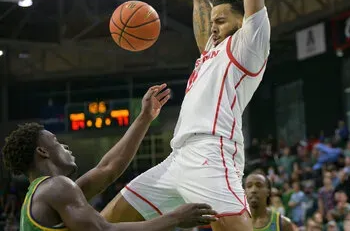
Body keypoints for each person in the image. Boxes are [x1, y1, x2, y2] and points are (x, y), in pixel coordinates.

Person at [101, 0, 271, 231]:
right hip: (177, 157)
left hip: (212, 151)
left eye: (221, 20)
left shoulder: (250, 42)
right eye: (213, 21)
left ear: (243, 20)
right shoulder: (210, 50)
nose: (214, 25)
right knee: (105, 222)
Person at [1, 84, 217, 231]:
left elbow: (108, 168)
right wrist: (175, 218)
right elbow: (104, 230)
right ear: (43, 152)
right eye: (57, 142)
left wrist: (145, 117)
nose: (65, 146)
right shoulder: (56, 187)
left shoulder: (48, 191)